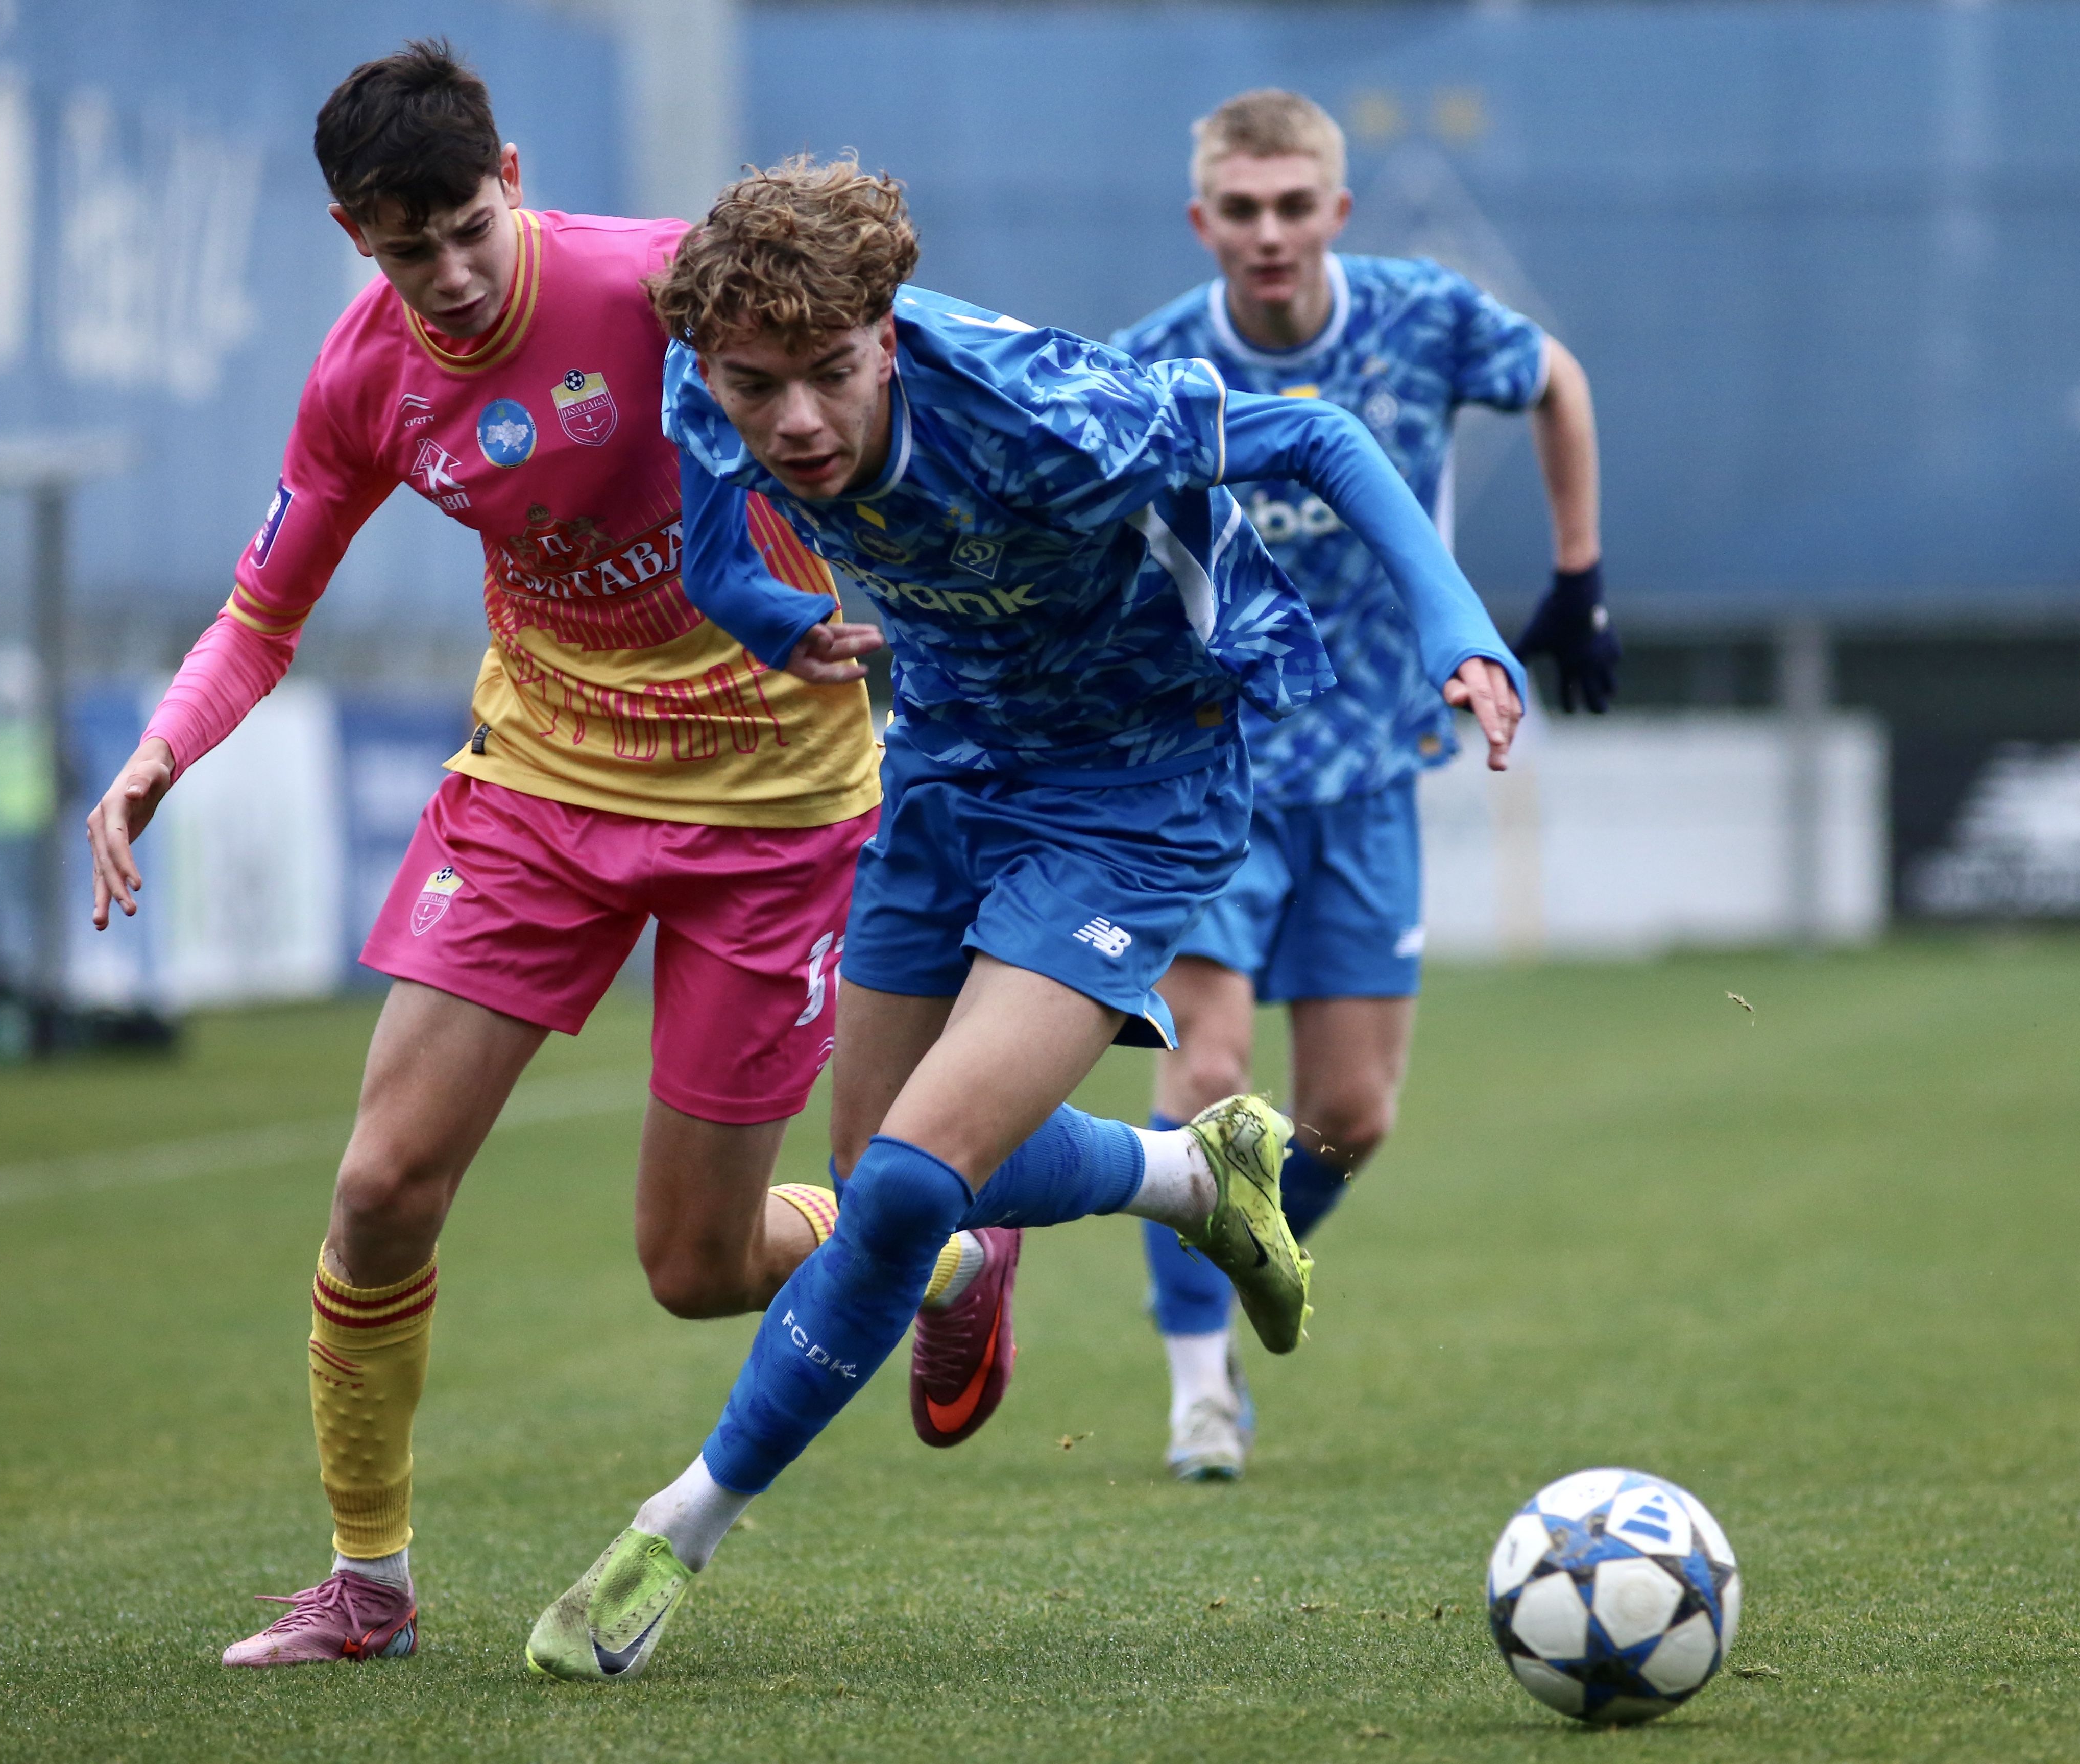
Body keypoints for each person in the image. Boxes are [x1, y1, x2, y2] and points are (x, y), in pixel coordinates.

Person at [519, 154, 1527, 1681]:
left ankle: (679, 1525)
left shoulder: (1047, 406)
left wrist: (1463, 631)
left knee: (916, 1189)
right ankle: (1194, 1175)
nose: (791, 420)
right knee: (875, 1185)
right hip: (940, 768)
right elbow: (720, 549)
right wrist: (785, 622)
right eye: (755, 385)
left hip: (1134, 787)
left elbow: (1318, 440)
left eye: (828, 377)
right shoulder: (705, 381)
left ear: (888, 337)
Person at [80, 42, 1003, 1669]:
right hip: (539, 790)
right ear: (355, 234)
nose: (441, 275)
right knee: (378, 1187)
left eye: (462, 231)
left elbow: (876, 385)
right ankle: (368, 1586)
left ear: (510, 180)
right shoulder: (365, 375)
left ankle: (939, 1250)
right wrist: (161, 750)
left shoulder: (659, 285)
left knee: (697, 1268)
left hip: (775, 815)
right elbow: (261, 610)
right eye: (398, 246)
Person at [1105, 89, 1615, 1480]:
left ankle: (1232, 1252)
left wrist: (1577, 573)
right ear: (1202, 220)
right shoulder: (1150, 366)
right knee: (1209, 1067)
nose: (1268, 235)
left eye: (1293, 207)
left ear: (1335, 213)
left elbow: (1557, 378)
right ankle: (1199, 1386)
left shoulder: (1423, 317)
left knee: (1354, 1115)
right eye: (1242, 210)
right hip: (1212, 774)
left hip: (1378, 769)